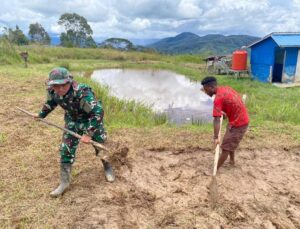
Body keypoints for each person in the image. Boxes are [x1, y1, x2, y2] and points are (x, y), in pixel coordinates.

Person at [36, 67, 114, 197]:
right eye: (56, 85)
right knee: (66, 149)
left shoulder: (82, 92)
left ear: (70, 82)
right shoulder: (53, 91)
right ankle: (64, 182)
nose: (60, 89)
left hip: (91, 122)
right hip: (72, 122)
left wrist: (88, 134)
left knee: (100, 147)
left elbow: (98, 112)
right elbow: (51, 103)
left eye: (63, 85)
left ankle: (107, 167)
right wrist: (41, 115)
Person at [201, 76, 249, 173]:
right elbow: (231, 102)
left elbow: (216, 120)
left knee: (226, 147)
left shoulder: (218, 99)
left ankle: (214, 170)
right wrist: (225, 112)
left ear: (211, 88)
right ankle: (231, 161)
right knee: (230, 142)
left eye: (206, 90)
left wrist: (215, 137)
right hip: (237, 120)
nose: (205, 93)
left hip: (239, 124)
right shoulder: (225, 89)